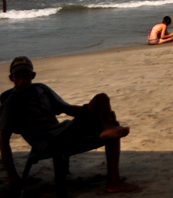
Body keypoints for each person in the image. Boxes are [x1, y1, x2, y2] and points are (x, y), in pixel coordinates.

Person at [1, 57, 138, 194]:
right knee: (102, 101)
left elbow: (67, 109)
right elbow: (3, 138)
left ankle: (107, 128)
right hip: (50, 140)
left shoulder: (41, 90)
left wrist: (97, 114)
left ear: (33, 76)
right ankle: (114, 181)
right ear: (11, 78)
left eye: (26, 76)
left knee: (106, 112)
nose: (21, 81)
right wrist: (12, 175)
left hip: (64, 131)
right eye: (17, 77)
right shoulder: (12, 102)